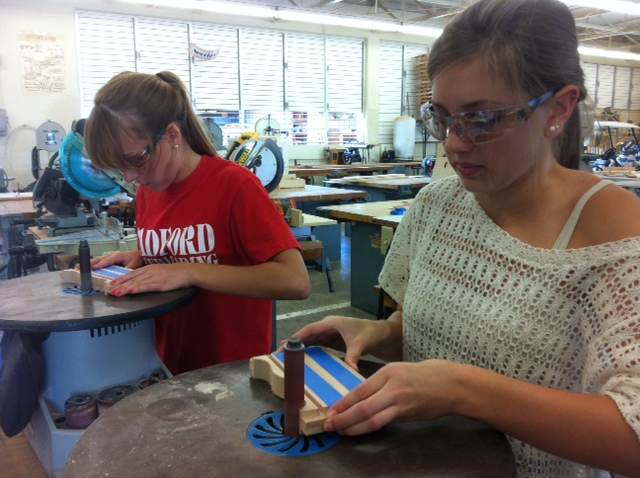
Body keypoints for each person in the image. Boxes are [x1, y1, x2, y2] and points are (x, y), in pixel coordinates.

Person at [292, 0, 640, 476]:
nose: (454, 142)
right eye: (443, 117)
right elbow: (436, 341)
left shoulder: (619, 239)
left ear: (559, 108)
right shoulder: (437, 205)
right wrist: (379, 335)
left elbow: (633, 436)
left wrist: (466, 391)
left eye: (482, 119)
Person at [84, 70, 310, 374]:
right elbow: (185, 252)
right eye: (119, 167)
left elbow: (295, 281)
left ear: (173, 136)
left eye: (135, 160)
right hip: (169, 367)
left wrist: (189, 271)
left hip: (231, 374)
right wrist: (141, 259)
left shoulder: (234, 186)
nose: (130, 177)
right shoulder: (151, 191)